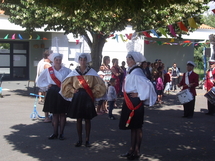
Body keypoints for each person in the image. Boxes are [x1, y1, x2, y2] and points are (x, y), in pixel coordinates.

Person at [60, 52, 106, 147]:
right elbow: (66, 84)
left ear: (87, 61)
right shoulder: (74, 72)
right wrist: (73, 90)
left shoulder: (92, 72)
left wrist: (93, 91)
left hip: (88, 96)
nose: (82, 61)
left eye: (84, 60)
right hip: (78, 96)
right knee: (79, 119)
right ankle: (79, 139)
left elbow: (100, 84)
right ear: (78, 60)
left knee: (88, 119)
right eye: (81, 60)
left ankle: (87, 140)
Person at [119, 50, 157, 160]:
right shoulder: (131, 71)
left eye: (130, 59)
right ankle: (131, 149)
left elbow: (148, 85)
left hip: (135, 102)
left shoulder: (136, 71)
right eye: (127, 58)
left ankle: (136, 151)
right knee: (132, 127)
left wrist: (140, 94)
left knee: (137, 127)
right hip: (129, 100)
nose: (128, 61)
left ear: (134, 61)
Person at [36, 53, 71, 140]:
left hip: (62, 92)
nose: (58, 62)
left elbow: (72, 80)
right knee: (55, 114)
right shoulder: (48, 70)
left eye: (59, 60)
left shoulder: (67, 70)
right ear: (53, 61)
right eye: (56, 60)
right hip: (53, 92)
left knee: (63, 114)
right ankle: (55, 133)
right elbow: (39, 80)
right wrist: (47, 84)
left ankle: (61, 133)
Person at [35, 50, 52, 122]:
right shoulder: (46, 65)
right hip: (47, 85)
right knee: (48, 101)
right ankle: (47, 117)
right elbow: (51, 75)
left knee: (46, 101)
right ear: (49, 56)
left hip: (43, 84)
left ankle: (47, 116)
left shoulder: (41, 62)